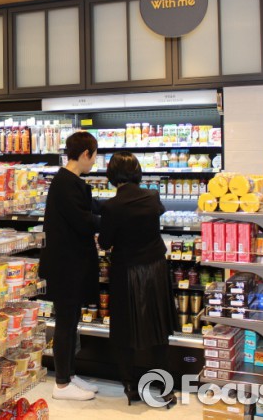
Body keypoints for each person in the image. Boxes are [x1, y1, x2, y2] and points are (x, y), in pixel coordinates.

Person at [97, 151, 178, 406]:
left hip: (127, 270)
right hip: (155, 268)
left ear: (112, 174)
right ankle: (166, 388)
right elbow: (158, 213)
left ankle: (130, 385)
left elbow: (105, 242)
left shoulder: (112, 206)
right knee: (158, 327)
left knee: (124, 329)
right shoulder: (152, 197)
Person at [39, 131, 101, 401]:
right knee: (65, 322)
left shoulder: (69, 181)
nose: (94, 161)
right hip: (65, 266)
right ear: (85, 153)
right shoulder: (65, 183)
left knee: (71, 320)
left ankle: (70, 375)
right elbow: (84, 221)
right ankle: (62, 384)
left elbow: (90, 208)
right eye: (94, 156)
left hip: (70, 264)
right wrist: (112, 221)